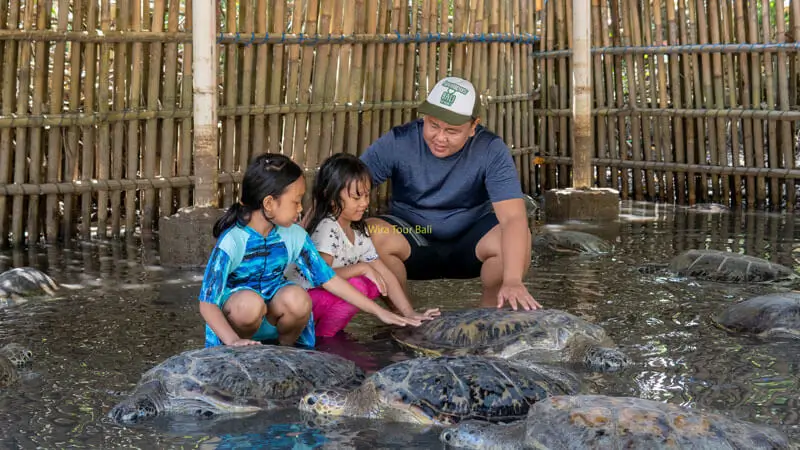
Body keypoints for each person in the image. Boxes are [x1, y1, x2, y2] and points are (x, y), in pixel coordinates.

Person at [197, 153, 424, 349]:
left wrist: (379, 312)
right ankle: (240, 350)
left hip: (273, 317)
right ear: (269, 204)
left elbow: (328, 279)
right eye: (296, 202)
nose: (301, 208)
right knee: (249, 304)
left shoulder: (294, 235)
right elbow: (207, 301)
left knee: (297, 297)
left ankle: (285, 350)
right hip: (238, 319)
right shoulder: (233, 240)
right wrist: (231, 340)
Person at [360, 76, 542, 311]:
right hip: (414, 237)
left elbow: (513, 218)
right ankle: (402, 316)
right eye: (433, 125)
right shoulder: (398, 141)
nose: (440, 138)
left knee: (518, 235)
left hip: (470, 243)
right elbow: (345, 186)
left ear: (473, 126)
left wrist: (513, 280)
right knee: (369, 233)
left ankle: (488, 316)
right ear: (424, 117)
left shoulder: (491, 149)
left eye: (452, 130)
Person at [286, 153, 440, 337]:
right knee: (361, 283)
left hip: (319, 299)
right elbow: (320, 278)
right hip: (300, 301)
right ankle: (324, 337)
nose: (365, 203)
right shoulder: (327, 228)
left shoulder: (357, 232)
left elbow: (385, 274)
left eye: (366, 195)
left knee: (375, 281)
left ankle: (328, 332)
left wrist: (409, 312)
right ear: (332, 197)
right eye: (357, 197)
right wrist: (361, 268)